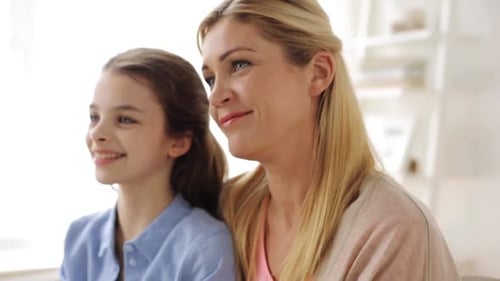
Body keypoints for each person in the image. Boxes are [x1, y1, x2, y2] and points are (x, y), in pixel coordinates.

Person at [197, 1, 460, 280]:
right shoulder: (225, 210)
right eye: (211, 79)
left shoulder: (390, 229)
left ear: (319, 73)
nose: (216, 98)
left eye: (239, 65)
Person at [60, 48, 236, 281]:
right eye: (95, 117)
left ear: (179, 142)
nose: (98, 133)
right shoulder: (81, 237)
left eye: (125, 119)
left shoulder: (205, 246)